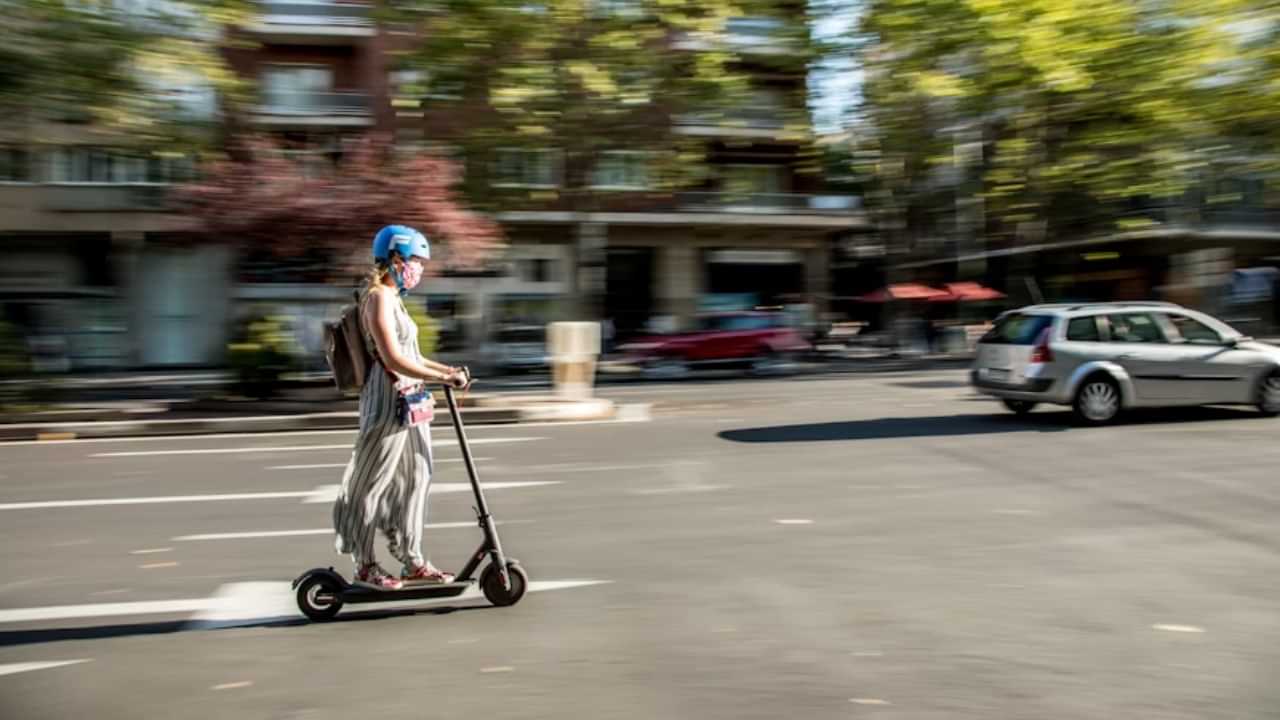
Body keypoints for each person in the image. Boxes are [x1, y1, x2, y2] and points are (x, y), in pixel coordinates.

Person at [332, 225, 470, 590]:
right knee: (370, 483)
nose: (419, 268)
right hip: (386, 398)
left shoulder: (395, 298)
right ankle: (365, 565)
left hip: (411, 398)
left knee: (417, 478)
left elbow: (413, 355)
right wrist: (443, 380)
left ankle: (412, 560)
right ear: (395, 258)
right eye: (415, 260)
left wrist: (447, 371)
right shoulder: (377, 297)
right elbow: (392, 359)